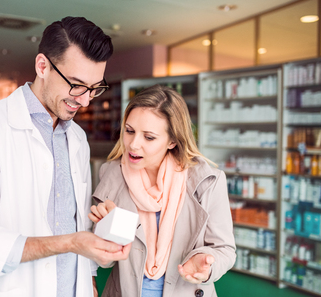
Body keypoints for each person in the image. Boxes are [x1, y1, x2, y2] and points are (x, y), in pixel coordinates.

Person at [0, 16, 130, 297]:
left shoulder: (77, 139)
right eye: (77, 85)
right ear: (42, 66)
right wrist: (68, 243)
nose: (84, 100)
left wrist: (90, 279)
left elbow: (77, 220)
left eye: (94, 88)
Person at [89, 84, 236, 297]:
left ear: (173, 141)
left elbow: (224, 250)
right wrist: (111, 228)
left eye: (149, 137)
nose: (133, 144)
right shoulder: (112, 175)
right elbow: (105, 262)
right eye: (129, 131)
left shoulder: (207, 181)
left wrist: (205, 265)